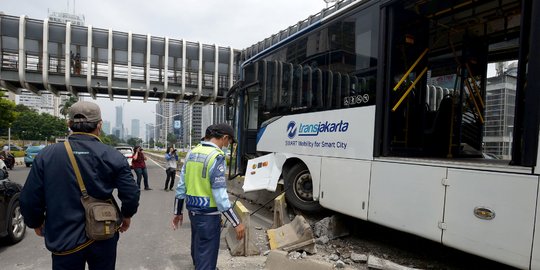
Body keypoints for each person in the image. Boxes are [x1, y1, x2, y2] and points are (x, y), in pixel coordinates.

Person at [19, 101, 140, 270]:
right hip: (103, 233)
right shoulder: (113, 155)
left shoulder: (47, 155)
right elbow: (131, 193)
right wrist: (127, 215)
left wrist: (35, 222)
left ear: (69, 124)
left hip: (63, 237)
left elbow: (29, 198)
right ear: (99, 125)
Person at [171, 123, 245, 270]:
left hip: (193, 212)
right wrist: (236, 222)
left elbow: (181, 188)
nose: (228, 145)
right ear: (224, 138)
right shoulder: (217, 157)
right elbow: (220, 197)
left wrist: (177, 212)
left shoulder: (192, 153)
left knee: (198, 247)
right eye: (229, 142)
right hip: (209, 216)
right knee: (207, 256)